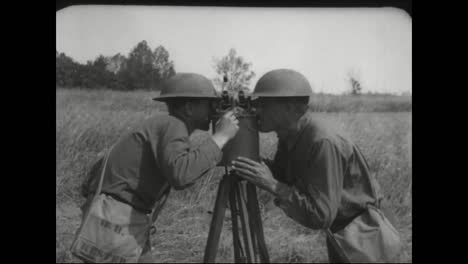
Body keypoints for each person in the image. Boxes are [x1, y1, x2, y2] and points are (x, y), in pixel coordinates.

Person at [231, 69, 401, 263]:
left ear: (291, 108)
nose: (256, 110)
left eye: (263, 104)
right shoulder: (289, 134)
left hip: (367, 232)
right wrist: (254, 162)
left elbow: (320, 216)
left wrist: (272, 185)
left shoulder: (322, 142)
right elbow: (285, 174)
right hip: (345, 231)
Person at [73, 73, 239, 263]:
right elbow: (181, 174)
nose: (213, 109)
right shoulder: (173, 125)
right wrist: (222, 137)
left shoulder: (162, 124)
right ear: (189, 108)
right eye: (208, 103)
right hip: (119, 217)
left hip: (122, 215)